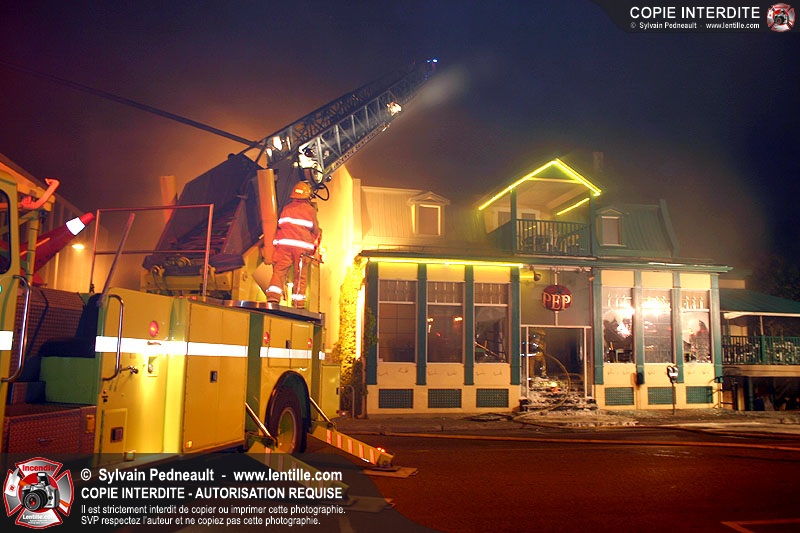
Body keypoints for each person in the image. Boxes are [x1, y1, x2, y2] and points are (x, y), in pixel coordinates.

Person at [266, 181, 321, 308]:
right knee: (300, 275)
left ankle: (273, 298)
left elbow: (280, 225)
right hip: (302, 249)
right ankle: (298, 303)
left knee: (279, 271)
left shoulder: (286, 208)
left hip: (284, 246)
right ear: (308, 196)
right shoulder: (310, 210)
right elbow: (315, 230)